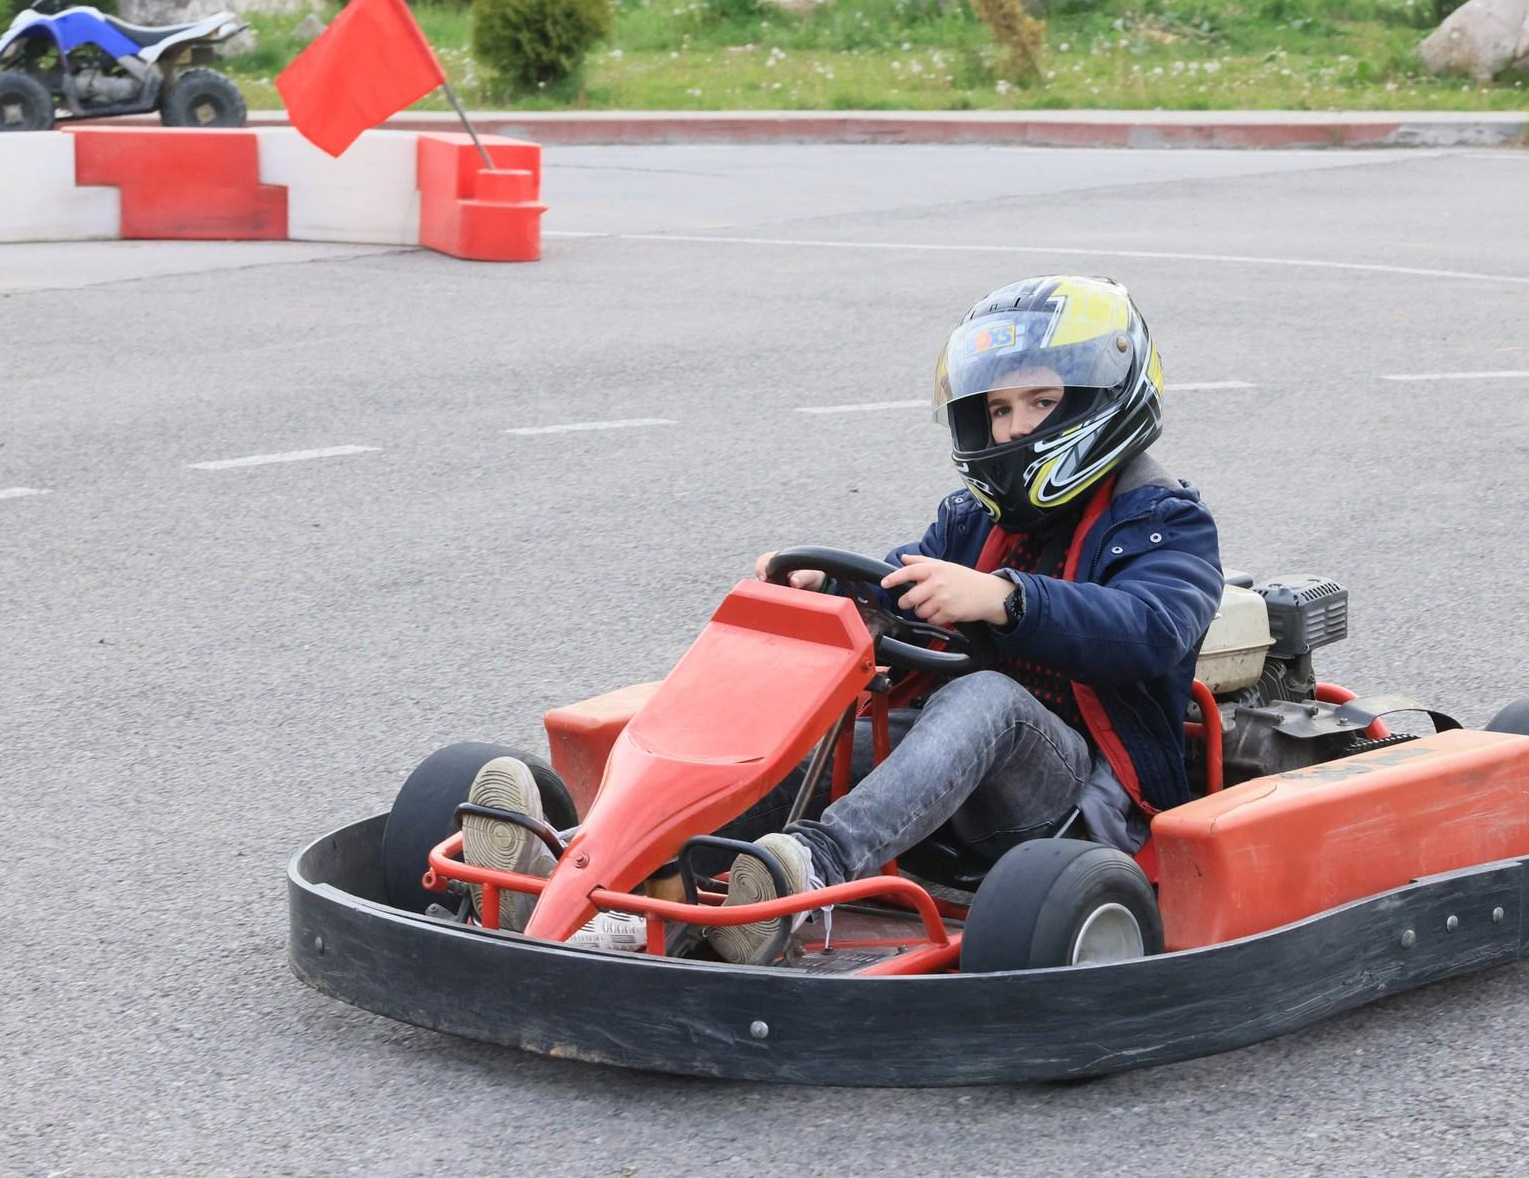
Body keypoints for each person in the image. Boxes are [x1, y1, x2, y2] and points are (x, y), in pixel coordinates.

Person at [460, 275, 1224, 964]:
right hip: (946, 783)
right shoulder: (973, 520)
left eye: (1039, 403)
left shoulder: (1166, 523)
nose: (1010, 431)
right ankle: (570, 866)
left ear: (1101, 402)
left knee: (984, 700)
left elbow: (1150, 628)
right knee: (798, 725)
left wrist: (1005, 599)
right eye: (997, 409)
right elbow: (903, 584)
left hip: (1077, 809)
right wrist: (833, 586)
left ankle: (809, 867)